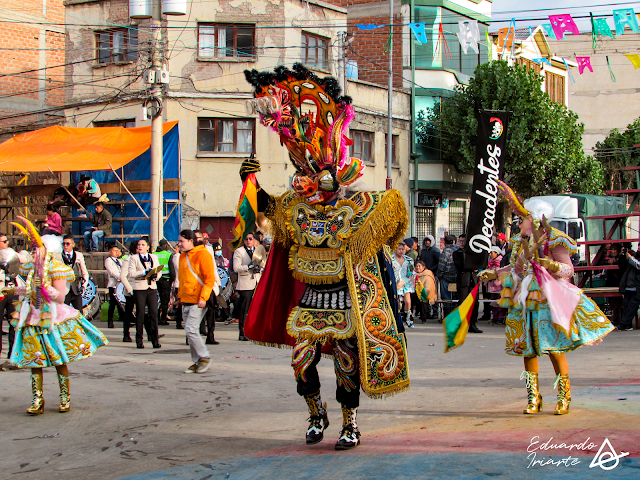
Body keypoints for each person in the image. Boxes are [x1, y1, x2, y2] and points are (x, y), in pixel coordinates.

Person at [240, 65, 409, 450]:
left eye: (321, 181)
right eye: (307, 180)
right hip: (310, 305)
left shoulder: (356, 210)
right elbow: (267, 206)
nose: (313, 187)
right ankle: (317, 414)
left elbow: (392, 211)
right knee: (302, 362)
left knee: (346, 367)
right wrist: (249, 181)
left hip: (345, 302)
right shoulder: (295, 211)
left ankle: (351, 424)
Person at [479, 182, 614, 416]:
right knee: (527, 349)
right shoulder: (522, 242)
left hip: (548, 300)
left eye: (522, 218)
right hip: (525, 300)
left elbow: (569, 270)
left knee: (553, 348)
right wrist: (495, 273)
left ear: (535, 218)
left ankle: (564, 397)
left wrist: (551, 264)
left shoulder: (554, 239)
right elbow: (517, 268)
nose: (519, 222)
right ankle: (534, 398)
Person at [8, 218, 107, 414]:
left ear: (48, 249)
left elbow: (60, 297)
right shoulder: (30, 268)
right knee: (34, 359)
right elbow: (27, 291)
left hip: (52, 317)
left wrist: (45, 289)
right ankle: (37, 400)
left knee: (58, 359)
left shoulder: (56, 268)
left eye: (38, 247)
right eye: (33, 248)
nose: (34, 251)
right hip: (32, 317)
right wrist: (13, 291)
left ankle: (65, 398)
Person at [178, 230, 216, 373]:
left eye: (182, 241)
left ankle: (205, 356)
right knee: (189, 332)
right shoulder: (182, 256)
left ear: (191, 241)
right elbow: (182, 280)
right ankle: (197, 361)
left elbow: (209, 279)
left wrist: (203, 298)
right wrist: (179, 297)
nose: (179, 244)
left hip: (198, 300)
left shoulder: (203, 254)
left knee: (191, 329)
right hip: (186, 299)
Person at [127, 237, 162, 349]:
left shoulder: (153, 257)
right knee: (140, 313)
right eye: (139, 245)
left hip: (151, 286)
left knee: (153, 313)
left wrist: (155, 276)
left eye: (142, 245)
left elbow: (159, 270)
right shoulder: (134, 258)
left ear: (148, 247)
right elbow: (131, 273)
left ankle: (155, 339)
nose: (140, 247)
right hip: (139, 288)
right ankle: (139, 340)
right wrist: (143, 272)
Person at [194, 230, 222, 345]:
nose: (200, 240)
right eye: (197, 238)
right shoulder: (189, 251)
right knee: (195, 313)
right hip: (196, 286)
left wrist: (218, 283)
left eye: (201, 238)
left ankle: (210, 336)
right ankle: (191, 337)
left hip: (209, 285)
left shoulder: (209, 249)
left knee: (211, 311)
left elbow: (213, 268)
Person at [452, 234, 482, 333]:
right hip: (463, 281)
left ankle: (473, 324)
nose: (461, 243)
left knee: (475, 303)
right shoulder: (457, 253)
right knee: (463, 303)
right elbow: (460, 266)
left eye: (463, 241)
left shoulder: (472, 253)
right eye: (460, 241)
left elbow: (479, 263)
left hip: (473, 280)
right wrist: (472, 266)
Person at [233, 232, 258, 341]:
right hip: (245, 283)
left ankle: (253, 331)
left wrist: (260, 268)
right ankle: (242, 332)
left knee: (255, 309)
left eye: (250, 238)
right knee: (244, 309)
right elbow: (236, 268)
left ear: (254, 240)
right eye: (246, 239)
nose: (248, 241)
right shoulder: (239, 251)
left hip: (257, 281)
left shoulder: (257, 250)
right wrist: (248, 267)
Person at [0, 232, 19, 360]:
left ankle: (12, 354)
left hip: (12, 291)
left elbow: (23, 259)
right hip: (0, 292)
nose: (7, 243)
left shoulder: (11, 253)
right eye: (4, 241)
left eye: (7, 241)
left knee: (14, 323)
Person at [60, 235, 89, 311]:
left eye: (67, 244)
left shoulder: (79, 255)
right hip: (63, 289)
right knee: (63, 313)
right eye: (63, 244)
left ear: (73, 244)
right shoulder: (58, 256)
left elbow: (84, 272)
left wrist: (84, 285)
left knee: (79, 314)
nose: (65, 246)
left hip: (76, 288)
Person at [392, 241, 416, 328]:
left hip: (405, 282)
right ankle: (397, 319)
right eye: (399, 249)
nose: (401, 251)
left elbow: (411, 272)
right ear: (395, 249)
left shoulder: (408, 260)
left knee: (408, 301)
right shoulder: (391, 259)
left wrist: (412, 279)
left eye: (403, 249)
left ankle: (408, 319)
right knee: (398, 303)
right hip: (396, 283)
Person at [618, 248, 640, 331]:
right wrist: (623, 256)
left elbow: (638, 265)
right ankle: (627, 325)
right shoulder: (634, 257)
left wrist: (630, 258)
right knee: (626, 306)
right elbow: (622, 266)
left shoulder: (633, 259)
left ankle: (623, 324)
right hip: (628, 287)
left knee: (631, 307)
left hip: (637, 287)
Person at [119, 241, 138, 342]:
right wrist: (130, 289)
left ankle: (151, 333)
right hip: (130, 290)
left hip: (140, 289)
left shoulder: (142, 258)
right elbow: (123, 276)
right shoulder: (128, 259)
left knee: (143, 312)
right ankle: (126, 334)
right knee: (128, 312)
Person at [437, 235, 458, 318]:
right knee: (455, 298)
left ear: (445, 243)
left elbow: (441, 265)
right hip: (456, 277)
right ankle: (455, 316)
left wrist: (440, 275)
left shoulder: (445, 251)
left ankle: (447, 316)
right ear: (454, 242)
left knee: (446, 299)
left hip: (446, 278)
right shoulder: (458, 250)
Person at [605, 244, 627, 325]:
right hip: (611, 283)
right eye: (612, 249)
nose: (613, 251)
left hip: (620, 282)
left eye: (615, 249)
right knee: (614, 302)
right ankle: (617, 320)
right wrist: (607, 262)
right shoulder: (607, 258)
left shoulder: (622, 258)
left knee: (621, 302)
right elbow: (598, 262)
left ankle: (621, 321)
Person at [104, 245, 124, 329]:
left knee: (120, 304)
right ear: (110, 252)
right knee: (112, 304)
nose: (116, 252)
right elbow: (112, 272)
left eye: (117, 250)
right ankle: (110, 321)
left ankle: (124, 319)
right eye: (114, 250)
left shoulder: (119, 261)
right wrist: (120, 277)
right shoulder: (108, 260)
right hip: (113, 284)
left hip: (120, 284)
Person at [154, 239, 173, 326]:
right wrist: (172, 280)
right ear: (165, 245)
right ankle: (163, 319)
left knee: (156, 300)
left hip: (155, 280)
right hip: (166, 280)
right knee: (164, 300)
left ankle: (156, 318)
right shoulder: (168, 255)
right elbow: (172, 270)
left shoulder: (153, 254)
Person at [487, 246, 506, 325]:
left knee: (500, 301)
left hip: (499, 284)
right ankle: (494, 317)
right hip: (491, 284)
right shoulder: (490, 262)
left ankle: (500, 317)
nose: (490, 254)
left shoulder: (500, 261)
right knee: (493, 301)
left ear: (497, 253)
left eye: (492, 252)